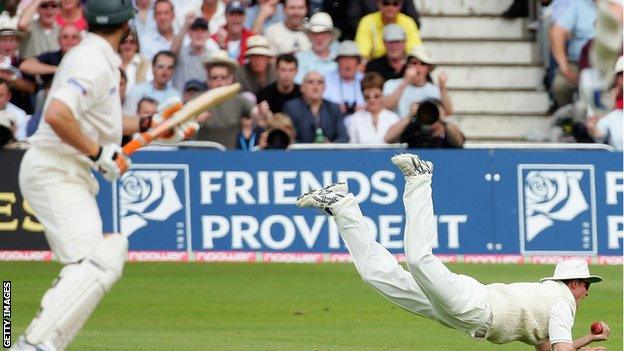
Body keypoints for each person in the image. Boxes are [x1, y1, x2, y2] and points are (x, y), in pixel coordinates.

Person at [296, 153, 612, 351]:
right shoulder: (562, 303)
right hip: (474, 307)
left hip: (463, 316)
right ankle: (419, 177)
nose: (587, 292)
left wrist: (589, 340)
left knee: (377, 275)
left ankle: (341, 205)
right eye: (587, 285)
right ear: (575, 284)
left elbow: (547, 348)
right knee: (419, 259)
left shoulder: (549, 299)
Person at [12, 1, 139, 349]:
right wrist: (98, 153)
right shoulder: (92, 61)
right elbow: (56, 114)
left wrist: (148, 124)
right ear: (126, 24)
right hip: (55, 168)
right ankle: (33, 343)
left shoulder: (94, 57)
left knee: (94, 263)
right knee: (96, 260)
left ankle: (44, 342)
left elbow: (97, 120)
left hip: (66, 170)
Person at [194, 50, 254, 148]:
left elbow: (257, 116)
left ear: (230, 79)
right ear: (208, 80)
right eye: (214, 78)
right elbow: (182, 131)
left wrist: (260, 114)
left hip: (230, 158)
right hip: (201, 157)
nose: (219, 81)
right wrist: (196, 122)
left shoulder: (239, 100)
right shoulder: (196, 99)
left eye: (223, 77)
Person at [383, 46, 453, 119]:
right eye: (414, 63)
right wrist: (405, 82)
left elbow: (449, 112)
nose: (418, 68)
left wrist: (442, 87)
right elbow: (385, 107)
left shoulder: (434, 89)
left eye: (422, 64)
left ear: (428, 68)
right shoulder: (391, 84)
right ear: (407, 65)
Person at [549, 0, 596, 108]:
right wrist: (564, 66)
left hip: (611, 65)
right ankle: (568, 121)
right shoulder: (578, 4)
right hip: (578, 63)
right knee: (560, 85)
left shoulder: (617, 4)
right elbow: (556, 33)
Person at [283, 70, 348, 143]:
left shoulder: (334, 108)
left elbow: (344, 137)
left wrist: (331, 145)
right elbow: (288, 138)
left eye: (319, 82)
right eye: (310, 82)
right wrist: (309, 148)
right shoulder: (291, 108)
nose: (315, 86)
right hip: (301, 153)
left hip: (329, 153)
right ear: (302, 88)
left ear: (324, 87)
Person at [354, 0, 421, 61]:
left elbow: (415, 53)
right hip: (375, 67)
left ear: (400, 5)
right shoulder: (367, 21)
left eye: (395, 3)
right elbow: (362, 54)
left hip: (401, 66)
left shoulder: (408, 22)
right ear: (378, 3)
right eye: (386, 3)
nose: (390, 7)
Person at [347, 72, 399, 144]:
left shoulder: (393, 118)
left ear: (382, 94)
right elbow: (352, 147)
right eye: (367, 97)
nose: (372, 100)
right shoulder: (355, 119)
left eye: (376, 96)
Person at [123, 50, 180, 115]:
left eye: (169, 68)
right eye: (160, 67)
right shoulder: (137, 90)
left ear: (173, 71)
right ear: (153, 68)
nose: (165, 72)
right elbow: (127, 117)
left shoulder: (176, 97)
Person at [171, 16, 219, 92]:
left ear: (208, 34)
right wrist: (185, 26)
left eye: (203, 29)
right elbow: (172, 52)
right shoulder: (181, 53)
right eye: (195, 29)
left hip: (205, 101)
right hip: (181, 101)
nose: (199, 33)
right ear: (189, 33)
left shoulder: (213, 57)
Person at [294, 11, 339, 84]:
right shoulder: (299, 59)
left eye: (323, 33)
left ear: (331, 36)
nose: (319, 38)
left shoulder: (339, 61)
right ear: (309, 36)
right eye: (315, 33)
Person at [323, 40, 364, 115]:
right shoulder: (325, 79)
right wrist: (335, 108)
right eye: (344, 59)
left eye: (352, 59)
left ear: (357, 62)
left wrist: (363, 108)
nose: (348, 63)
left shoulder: (364, 80)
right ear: (338, 61)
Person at [118, 29, 152, 94]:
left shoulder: (145, 63)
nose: (128, 45)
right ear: (119, 44)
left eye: (132, 42)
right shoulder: (111, 61)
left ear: (137, 45)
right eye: (124, 42)